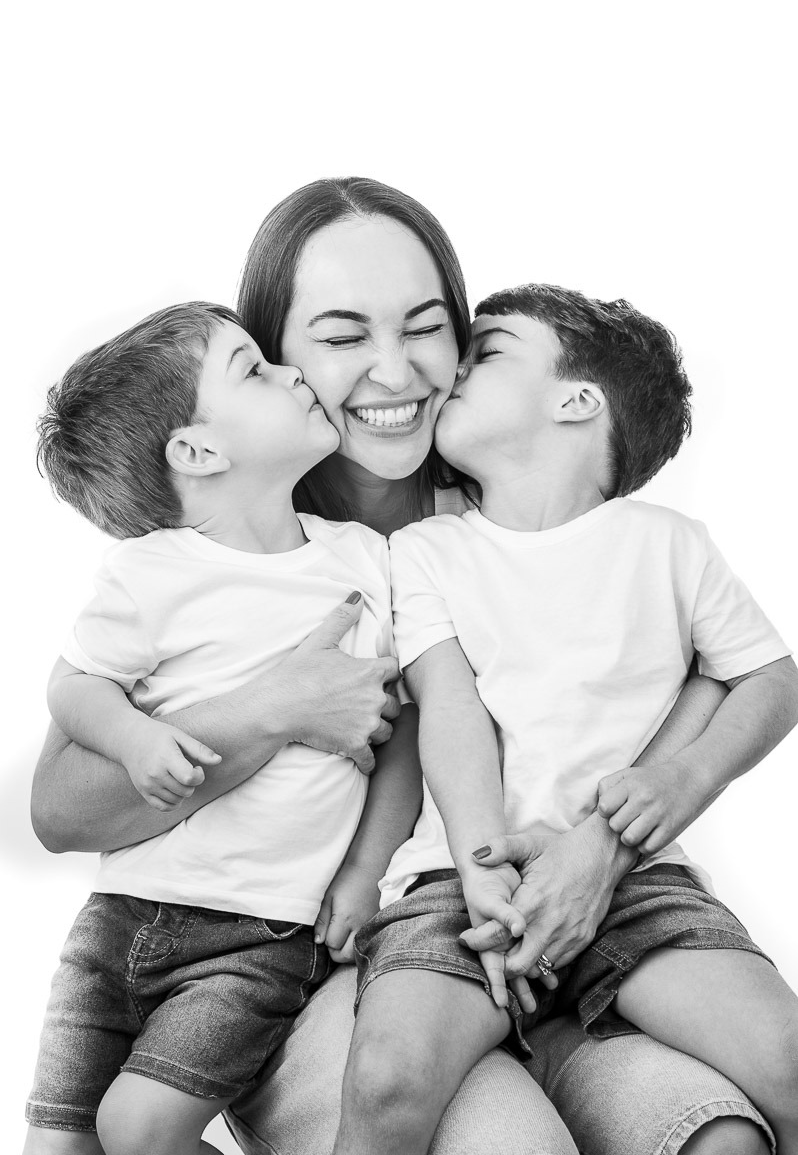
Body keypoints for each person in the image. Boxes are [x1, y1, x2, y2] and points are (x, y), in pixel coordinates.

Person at [31, 178, 779, 1155]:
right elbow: (60, 806)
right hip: (314, 969)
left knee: (718, 1135)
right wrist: (268, 709)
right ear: (276, 357)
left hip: (557, 918)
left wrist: (603, 847)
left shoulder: (517, 502)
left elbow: (714, 670)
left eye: (427, 326)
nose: (397, 370)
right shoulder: (210, 551)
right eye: (341, 337)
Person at [332, 284, 798, 1155]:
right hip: (457, 882)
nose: (454, 369)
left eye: (490, 350)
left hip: (638, 882)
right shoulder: (425, 552)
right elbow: (451, 706)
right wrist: (480, 870)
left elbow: (771, 677)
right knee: (387, 1079)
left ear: (577, 401)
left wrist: (680, 779)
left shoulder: (668, 542)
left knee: (787, 1059)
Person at [25, 302, 418, 1155]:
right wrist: (135, 740)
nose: (292, 371)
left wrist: (363, 871)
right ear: (199, 452)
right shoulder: (149, 573)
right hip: (122, 913)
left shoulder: (363, 560)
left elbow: (404, 738)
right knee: (56, 1146)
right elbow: (75, 688)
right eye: (254, 368)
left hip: (262, 930)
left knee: (139, 1131)